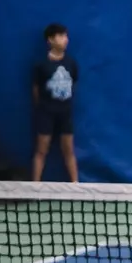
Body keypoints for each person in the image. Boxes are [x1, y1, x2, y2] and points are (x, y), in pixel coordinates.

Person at [31, 24, 81, 183]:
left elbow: (74, 84)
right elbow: (36, 90)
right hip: (46, 113)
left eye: (66, 36)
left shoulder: (71, 63)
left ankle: (76, 187)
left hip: (65, 113)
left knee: (69, 151)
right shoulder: (41, 66)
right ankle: (35, 188)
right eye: (61, 36)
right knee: (41, 150)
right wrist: (45, 107)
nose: (65, 40)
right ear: (50, 40)